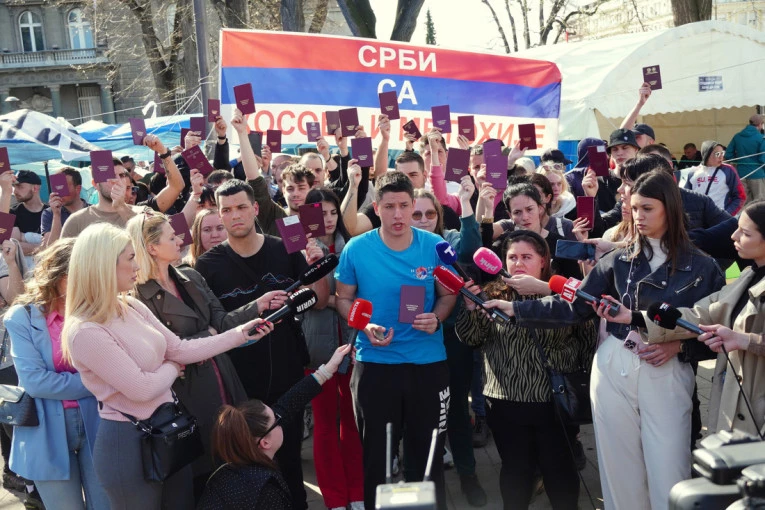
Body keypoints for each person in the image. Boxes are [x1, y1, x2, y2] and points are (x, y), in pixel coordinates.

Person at [483, 171, 725, 510]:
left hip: (667, 370)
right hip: (613, 365)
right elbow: (575, 306)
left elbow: (716, 330)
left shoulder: (703, 267)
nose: (638, 216)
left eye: (647, 208)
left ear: (669, 209)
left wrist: (681, 346)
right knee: (618, 468)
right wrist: (516, 309)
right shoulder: (617, 261)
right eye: (634, 208)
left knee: (669, 467)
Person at [60, 223, 273, 510]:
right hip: (129, 443)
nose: (138, 266)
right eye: (130, 258)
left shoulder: (132, 306)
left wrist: (239, 334)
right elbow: (141, 388)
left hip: (169, 430)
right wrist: (172, 366)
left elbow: (179, 348)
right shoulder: (85, 331)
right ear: (104, 265)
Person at [194, 179, 329, 510]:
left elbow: (321, 300)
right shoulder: (207, 266)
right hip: (239, 380)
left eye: (242, 207)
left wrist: (315, 268)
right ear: (219, 215)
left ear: (255, 208)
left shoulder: (285, 247)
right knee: (246, 463)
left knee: (291, 460)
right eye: (227, 210)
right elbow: (211, 325)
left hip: (287, 370)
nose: (235, 215)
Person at [127, 211, 279, 501]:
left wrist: (257, 306)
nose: (180, 240)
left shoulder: (191, 276)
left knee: (238, 458)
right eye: (172, 237)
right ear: (152, 247)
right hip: (187, 394)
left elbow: (220, 322)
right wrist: (206, 338)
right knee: (203, 475)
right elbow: (159, 350)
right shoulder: (136, 297)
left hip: (224, 378)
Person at [334, 171, 457, 510]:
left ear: (412, 204)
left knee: (427, 460)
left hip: (427, 366)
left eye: (404, 205)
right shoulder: (357, 249)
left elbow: (448, 295)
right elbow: (342, 299)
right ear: (377, 208)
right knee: (378, 459)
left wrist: (437, 317)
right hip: (376, 367)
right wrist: (364, 324)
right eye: (389, 207)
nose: (398, 214)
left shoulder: (434, 246)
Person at [456, 231, 595, 509]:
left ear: (543, 261)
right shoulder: (490, 293)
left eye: (526, 257)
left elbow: (588, 342)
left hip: (555, 401)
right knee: (515, 472)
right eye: (512, 257)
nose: (518, 263)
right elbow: (470, 338)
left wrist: (581, 384)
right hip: (506, 401)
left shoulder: (563, 295)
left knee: (560, 472)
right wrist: (470, 309)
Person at [640, 200, 765, 438]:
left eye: (746, 233)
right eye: (737, 228)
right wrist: (635, 317)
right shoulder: (748, 275)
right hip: (737, 401)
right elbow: (704, 312)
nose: (734, 236)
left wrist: (744, 340)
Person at [3, 239, 109, 510]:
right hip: (44, 431)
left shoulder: (98, 312)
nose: (92, 281)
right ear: (61, 276)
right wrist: (97, 381)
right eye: (85, 273)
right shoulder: (21, 318)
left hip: (99, 422)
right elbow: (35, 382)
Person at [198, 344, 353, 510]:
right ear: (265, 442)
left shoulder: (229, 469)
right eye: (276, 421)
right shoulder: (265, 490)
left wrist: (328, 368)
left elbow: (288, 404)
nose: (281, 417)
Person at [409, 186, 488, 506]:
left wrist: (467, 202)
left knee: (455, 409)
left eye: (430, 213)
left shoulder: (449, 241)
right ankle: (424, 481)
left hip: (453, 338)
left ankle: (469, 476)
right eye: (417, 214)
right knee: (418, 415)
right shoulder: (400, 248)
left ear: (439, 216)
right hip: (414, 340)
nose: (424, 219)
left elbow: (471, 247)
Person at [300, 187, 365, 510]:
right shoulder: (296, 249)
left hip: (353, 345)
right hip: (316, 350)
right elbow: (315, 300)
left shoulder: (353, 246)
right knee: (325, 426)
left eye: (332, 212)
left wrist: (337, 300)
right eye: (319, 212)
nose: (326, 219)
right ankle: (335, 499)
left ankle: (357, 494)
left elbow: (358, 295)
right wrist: (339, 299)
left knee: (352, 423)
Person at [681, 140, 745, 216]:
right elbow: (685, 198)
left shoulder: (728, 171)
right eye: (717, 154)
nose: (721, 157)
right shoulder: (693, 173)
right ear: (707, 155)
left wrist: (727, 215)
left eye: (722, 153)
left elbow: (740, 196)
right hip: (699, 219)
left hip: (720, 218)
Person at [40, 167, 88, 250]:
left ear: (78, 189)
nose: (59, 193)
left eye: (63, 187)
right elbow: (51, 248)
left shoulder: (93, 211)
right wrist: (56, 215)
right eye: (57, 187)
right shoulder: (49, 213)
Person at [725, 114, 765, 203]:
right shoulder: (761, 138)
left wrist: (738, 161)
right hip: (757, 174)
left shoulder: (737, 136)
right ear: (760, 124)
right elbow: (763, 159)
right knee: (760, 203)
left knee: (742, 202)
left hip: (741, 174)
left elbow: (728, 155)